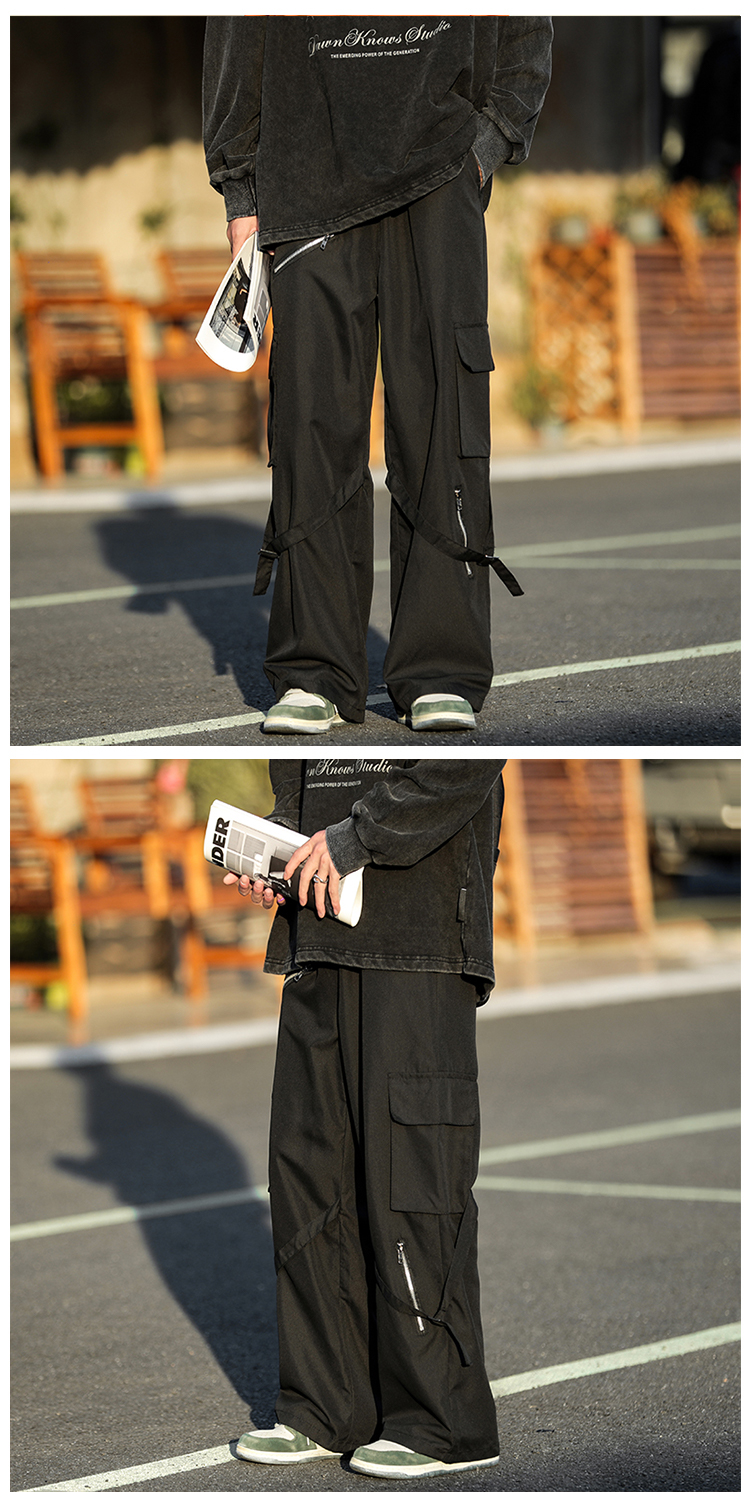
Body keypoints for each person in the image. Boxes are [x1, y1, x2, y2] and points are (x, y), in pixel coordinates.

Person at [203, 19, 552, 734]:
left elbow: (524, 31)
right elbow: (239, 30)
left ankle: (441, 668)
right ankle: (313, 671)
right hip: (304, 179)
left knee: (442, 416)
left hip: (440, 172)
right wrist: (241, 195)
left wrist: (485, 146)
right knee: (309, 422)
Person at [223, 757, 506, 1479]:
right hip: (318, 937)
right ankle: (324, 1407)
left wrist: (355, 840)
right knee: (310, 1177)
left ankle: (440, 1421)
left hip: (420, 940)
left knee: (414, 1181)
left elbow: (463, 766)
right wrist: (281, 847)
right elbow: (305, 785)